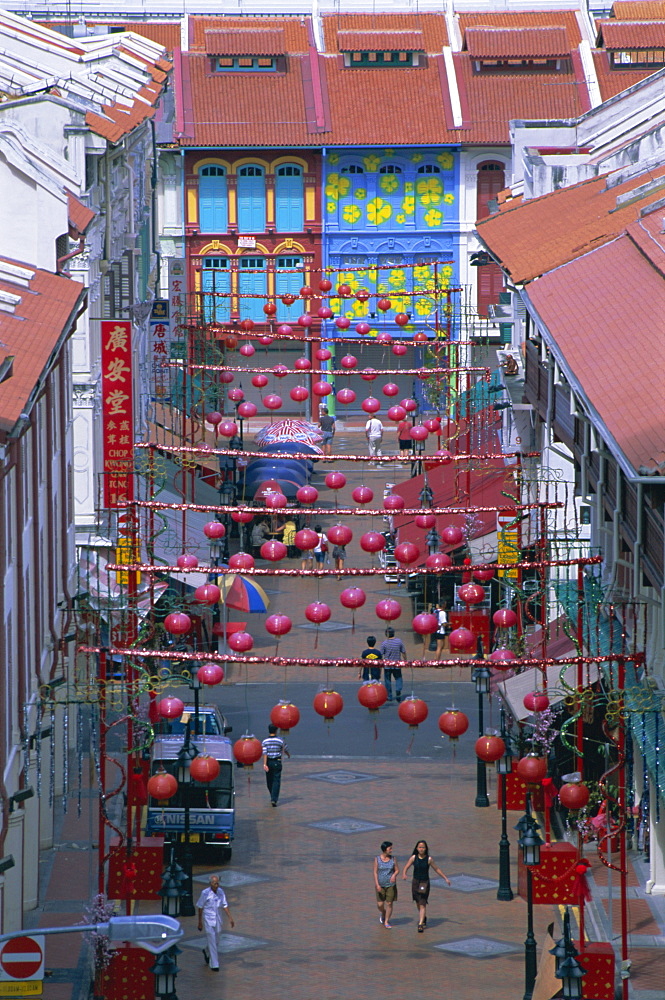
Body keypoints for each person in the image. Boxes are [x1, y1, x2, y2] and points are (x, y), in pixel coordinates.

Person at [402, 839, 451, 932]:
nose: (421, 849)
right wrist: (404, 873)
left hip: (424, 883)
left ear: (426, 848)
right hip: (415, 882)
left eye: (423, 847)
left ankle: (420, 924)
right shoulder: (413, 858)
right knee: (417, 901)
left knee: (422, 903)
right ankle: (423, 917)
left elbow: (437, 869)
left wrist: (445, 878)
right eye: (420, 847)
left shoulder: (429, 859)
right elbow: (406, 866)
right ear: (417, 848)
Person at [196, 874, 235, 970]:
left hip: (218, 919)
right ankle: (214, 964)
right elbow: (200, 907)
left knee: (217, 940)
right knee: (212, 940)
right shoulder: (205, 893)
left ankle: (206, 950)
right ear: (210, 883)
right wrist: (200, 922)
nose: (216, 885)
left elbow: (224, 905)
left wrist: (230, 918)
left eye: (217, 883)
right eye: (214, 883)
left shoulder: (221, 892)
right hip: (208, 919)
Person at [261, 722, 290, 806]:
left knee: (269, 781)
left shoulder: (265, 741)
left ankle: (272, 795)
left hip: (268, 762)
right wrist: (288, 754)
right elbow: (285, 748)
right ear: (276, 730)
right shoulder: (280, 740)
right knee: (276, 780)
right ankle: (274, 798)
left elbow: (265, 753)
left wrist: (264, 764)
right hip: (277, 761)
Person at [373, 841, 399, 928]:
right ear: (385, 849)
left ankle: (386, 921)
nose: (391, 850)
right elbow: (375, 872)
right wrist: (377, 884)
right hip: (380, 884)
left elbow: (397, 870)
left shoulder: (393, 859)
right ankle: (383, 912)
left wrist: (394, 875)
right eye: (390, 848)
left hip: (390, 885)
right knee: (380, 904)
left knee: (389, 903)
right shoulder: (377, 859)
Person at [379, 627, 406, 702]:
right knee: (398, 678)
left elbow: (381, 654)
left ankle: (389, 696)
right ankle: (398, 690)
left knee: (387, 680)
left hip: (387, 665)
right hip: (397, 664)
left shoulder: (384, 643)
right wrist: (405, 661)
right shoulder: (399, 641)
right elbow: (403, 652)